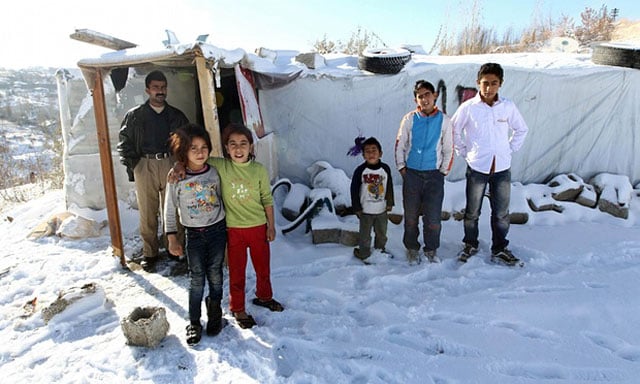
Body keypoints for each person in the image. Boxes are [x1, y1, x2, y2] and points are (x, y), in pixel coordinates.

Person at [171, 123, 284, 329]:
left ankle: (265, 297)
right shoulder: (221, 166)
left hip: (258, 227)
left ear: (251, 147)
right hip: (233, 230)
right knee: (237, 271)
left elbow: (267, 199)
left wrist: (271, 226)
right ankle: (238, 308)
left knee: (262, 268)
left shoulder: (258, 170)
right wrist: (178, 166)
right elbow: (194, 160)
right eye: (233, 144)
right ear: (226, 148)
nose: (238, 149)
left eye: (243, 144)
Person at [451, 63, 528, 266]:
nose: (489, 88)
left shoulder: (507, 106)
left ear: (500, 84)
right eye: (485, 83)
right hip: (478, 167)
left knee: (501, 213)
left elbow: (521, 129)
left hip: (501, 168)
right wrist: (465, 152)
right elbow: (454, 130)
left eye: (494, 83)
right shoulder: (469, 108)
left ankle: (500, 248)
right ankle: (470, 244)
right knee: (472, 212)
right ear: (478, 83)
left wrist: (509, 149)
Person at [117, 70, 189, 270]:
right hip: (145, 165)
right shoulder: (135, 116)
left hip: (170, 163)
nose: (160, 91)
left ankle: (174, 249)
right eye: (156, 87)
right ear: (147, 89)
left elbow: (187, 142)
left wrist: (181, 163)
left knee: (173, 210)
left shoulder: (176, 116)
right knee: (147, 212)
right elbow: (124, 143)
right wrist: (135, 166)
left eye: (163, 87)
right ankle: (150, 253)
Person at [164, 123, 226, 346]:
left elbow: (221, 198)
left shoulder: (215, 172)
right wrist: (172, 237)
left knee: (216, 275)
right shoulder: (176, 179)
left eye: (204, 147)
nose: (200, 152)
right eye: (193, 148)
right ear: (183, 152)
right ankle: (194, 322)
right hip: (194, 235)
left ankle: (215, 313)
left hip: (217, 231)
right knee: (196, 279)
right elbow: (169, 208)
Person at [395, 80, 454, 265]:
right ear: (416, 100)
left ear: (434, 95)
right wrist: (402, 168)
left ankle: (431, 249)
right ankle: (412, 248)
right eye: (420, 96)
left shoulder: (444, 120)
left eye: (427, 94)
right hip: (412, 174)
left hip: (434, 176)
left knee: (433, 217)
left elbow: (449, 148)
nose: (424, 99)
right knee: (411, 216)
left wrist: (442, 171)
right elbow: (400, 144)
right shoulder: (410, 119)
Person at [350, 137, 394, 262]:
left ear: (380, 153)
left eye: (374, 150)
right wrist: (357, 207)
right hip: (365, 211)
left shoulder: (385, 169)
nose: (371, 153)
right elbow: (354, 190)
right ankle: (364, 252)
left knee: (381, 234)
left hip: (381, 210)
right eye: (367, 151)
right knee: (365, 235)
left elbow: (389, 186)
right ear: (363, 155)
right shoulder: (360, 171)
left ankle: (380, 250)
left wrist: (390, 202)